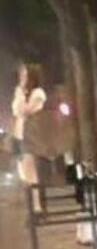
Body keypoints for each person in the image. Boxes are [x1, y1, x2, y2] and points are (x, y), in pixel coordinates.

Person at [11, 63, 47, 211]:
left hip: (31, 136)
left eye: (25, 75)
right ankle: (30, 206)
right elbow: (15, 110)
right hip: (19, 135)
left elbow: (25, 111)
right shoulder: (22, 93)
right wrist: (19, 93)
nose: (22, 78)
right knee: (23, 174)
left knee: (31, 173)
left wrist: (20, 94)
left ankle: (37, 207)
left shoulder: (38, 93)